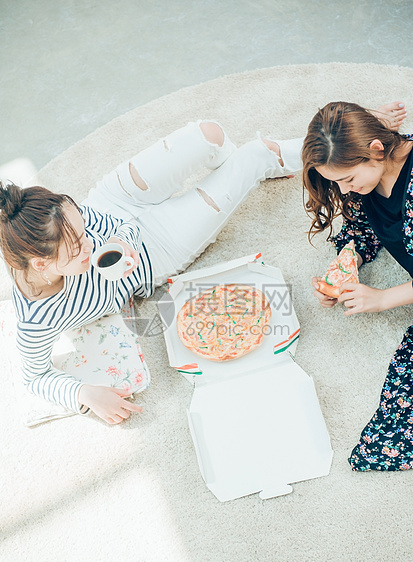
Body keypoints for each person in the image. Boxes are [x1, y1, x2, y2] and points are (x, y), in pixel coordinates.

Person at [0, 120, 303, 425]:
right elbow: (35, 377)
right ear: (41, 264)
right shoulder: (38, 318)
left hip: (115, 200)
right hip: (155, 251)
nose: (89, 243)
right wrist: (85, 393)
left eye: (82, 230)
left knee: (209, 135)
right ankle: (333, 156)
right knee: (256, 155)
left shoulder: (68, 224)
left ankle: (238, 176)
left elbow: (115, 225)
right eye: (77, 248)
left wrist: (119, 240)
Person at [301, 100, 413, 471]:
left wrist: (385, 298)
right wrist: (343, 268)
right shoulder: (368, 182)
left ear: (376, 150)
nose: (345, 191)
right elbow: (363, 233)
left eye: (347, 179)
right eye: (336, 182)